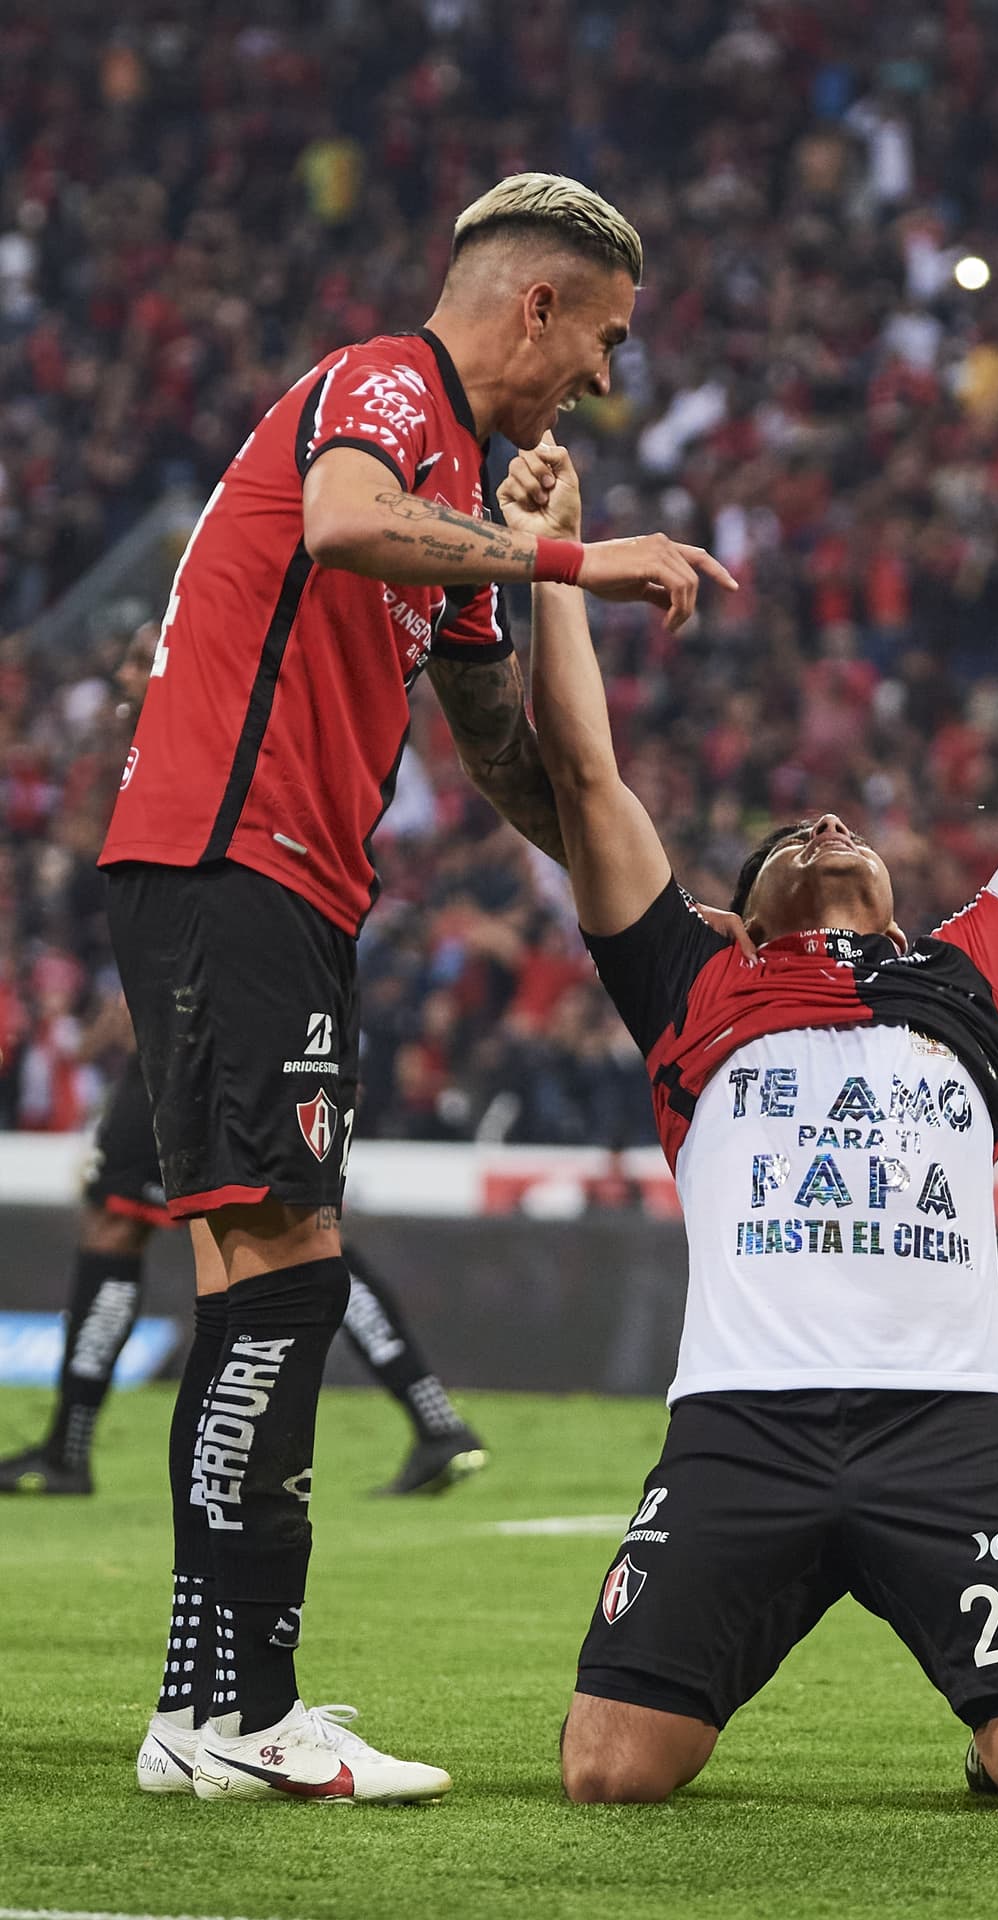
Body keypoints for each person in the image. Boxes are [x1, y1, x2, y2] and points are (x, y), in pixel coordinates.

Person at [96, 171, 734, 1807]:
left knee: (254, 1278)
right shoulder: (382, 386)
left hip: (273, 882)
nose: (603, 374)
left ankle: (205, 1705)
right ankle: (246, 1711)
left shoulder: (452, 478)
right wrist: (573, 555)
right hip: (235, 864)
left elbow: (502, 744)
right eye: (601, 337)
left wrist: (652, 906)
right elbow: (341, 522)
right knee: (289, 1273)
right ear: (534, 303)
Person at [496, 408, 998, 1814]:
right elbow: (584, 778)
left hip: (950, 1433)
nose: (825, 826)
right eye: (791, 837)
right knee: (610, 1773)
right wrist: (555, 562)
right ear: (739, 912)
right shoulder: (695, 983)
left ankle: (994, 1705)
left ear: (899, 885)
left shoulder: (970, 973)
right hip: (743, 1430)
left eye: (847, 828)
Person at [2, 632, 484, 1502]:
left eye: (145, 653)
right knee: (293, 1220)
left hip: (209, 994)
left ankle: (71, 1447)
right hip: (280, 979)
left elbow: (114, 832)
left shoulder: (207, 718)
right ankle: (434, 1416)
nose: (131, 671)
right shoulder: (280, 709)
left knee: (148, 1217)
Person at [0, 1044, 487, 1501]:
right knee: (308, 1231)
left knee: (118, 1219)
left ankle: (68, 1448)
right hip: (296, 1041)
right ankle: (435, 1419)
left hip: (195, 1036)